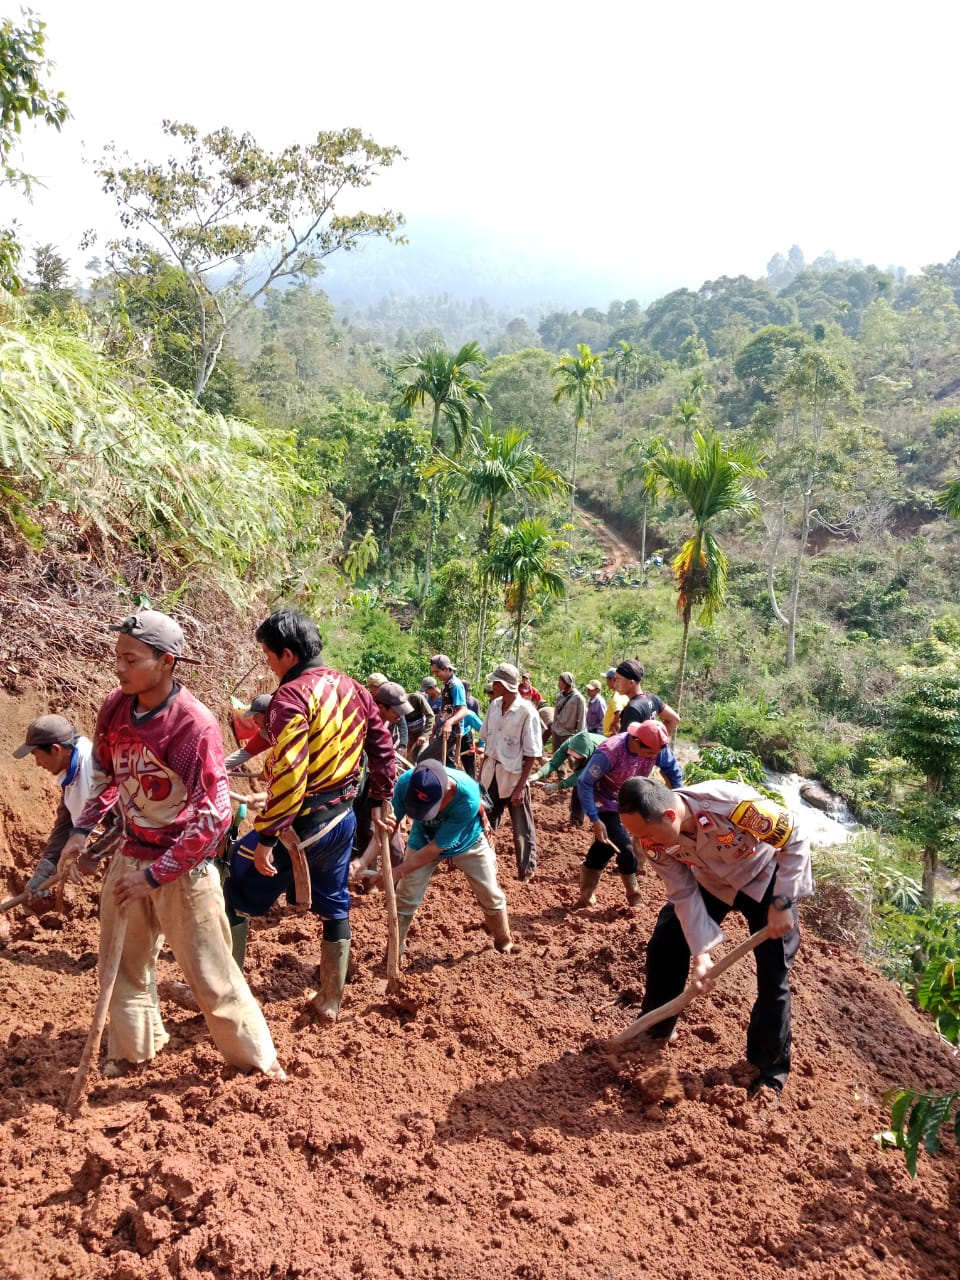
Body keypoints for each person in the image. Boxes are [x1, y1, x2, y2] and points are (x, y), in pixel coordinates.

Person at [59, 609, 284, 1080]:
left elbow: (214, 816)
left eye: (131, 659)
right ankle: (132, 1050)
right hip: (131, 854)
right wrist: (81, 833)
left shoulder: (191, 727)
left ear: (167, 662)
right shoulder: (116, 707)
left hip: (183, 867)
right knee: (121, 965)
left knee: (212, 976)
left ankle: (258, 1068)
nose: (119, 668)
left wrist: (155, 875)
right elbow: (103, 774)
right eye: (117, 657)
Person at [225, 608, 396, 1023]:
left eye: (267, 654)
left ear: (286, 653)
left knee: (232, 893)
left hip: (301, 828)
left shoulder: (291, 697)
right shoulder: (354, 688)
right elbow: (383, 749)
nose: (267, 661)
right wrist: (380, 800)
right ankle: (330, 1000)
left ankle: (227, 996)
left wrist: (266, 837)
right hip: (342, 822)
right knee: (335, 906)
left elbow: (291, 774)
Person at [616, 776, 813, 1102]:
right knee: (667, 943)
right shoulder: (653, 841)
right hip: (711, 883)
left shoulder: (731, 805)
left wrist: (783, 902)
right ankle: (655, 1031)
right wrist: (701, 953)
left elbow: (794, 838)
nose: (643, 844)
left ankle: (769, 1074)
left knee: (773, 971)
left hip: (764, 878)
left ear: (669, 816)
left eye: (646, 833)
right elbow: (683, 893)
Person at [375, 758, 515, 958]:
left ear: (447, 792)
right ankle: (394, 951)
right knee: (406, 895)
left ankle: (504, 942)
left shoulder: (468, 797)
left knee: (490, 893)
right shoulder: (409, 781)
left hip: (468, 841)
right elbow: (389, 825)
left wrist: (397, 871)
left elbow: (435, 849)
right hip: (422, 838)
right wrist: (365, 859)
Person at [12, 715, 120, 906]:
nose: (37, 763)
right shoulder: (70, 773)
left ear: (56, 749)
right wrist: (44, 871)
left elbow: (128, 826)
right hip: (132, 847)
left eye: (37, 756)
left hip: (159, 848)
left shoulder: (97, 768)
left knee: (120, 907)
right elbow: (66, 824)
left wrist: (92, 855)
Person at [575, 720, 682, 909]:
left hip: (630, 801)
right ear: (635, 740)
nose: (652, 758)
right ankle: (634, 895)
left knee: (605, 846)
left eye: (655, 754)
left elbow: (673, 772)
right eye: (649, 753)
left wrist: (681, 800)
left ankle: (585, 896)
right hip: (604, 801)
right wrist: (594, 818)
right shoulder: (610, 751)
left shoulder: (656, 748)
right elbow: (585, 782)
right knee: (624, 847)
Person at [479, 662, 543, 881]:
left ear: (504, 685)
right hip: (491, 773)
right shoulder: (495, 706)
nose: (492, 686)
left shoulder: (527, 712)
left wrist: (521, 786)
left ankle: (526, 871)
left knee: (521, 828)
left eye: (495, 682)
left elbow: (532, 753)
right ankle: (484, 866)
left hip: (514, 775)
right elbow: (486, 742)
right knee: (484, 821)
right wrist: (480, 776)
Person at [534, 728, 604, 828]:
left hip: (606, 764)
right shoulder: (570, 743)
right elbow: (554, 763)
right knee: (579, 788)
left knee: (599, 790)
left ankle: (602, 820)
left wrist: (558, 785)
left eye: (577, 756)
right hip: (588, 756)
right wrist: (538, 774)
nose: (573, 758)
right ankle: (576, 820)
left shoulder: (600, 753)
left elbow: (580, 776)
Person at [612, 660, 680, 735]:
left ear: (631, 683)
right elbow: (674, 719)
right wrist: (656, 740)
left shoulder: (633, 709)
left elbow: (626, 744)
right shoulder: (653, 699)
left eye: (618, 680)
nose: (615, 684)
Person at [428, 654, 468, 768]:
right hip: (444, 729)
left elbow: (463, 710)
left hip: (452, 731)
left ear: (446, 669)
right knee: (447, 762)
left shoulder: (455, 685)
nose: (435, 676)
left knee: (425, 758)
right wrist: (435, 728)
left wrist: (449, 723)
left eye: (437, 672)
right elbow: (444, 710)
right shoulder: (446, 684)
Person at [551, 672, 586, 751]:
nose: (558, 684)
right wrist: (553, 728)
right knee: (556, 758)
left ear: (565, 683)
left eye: (559, 681)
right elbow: (555, 715)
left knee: (570, 759)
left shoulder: (578, 698)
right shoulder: (559, 697)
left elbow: (581, 718)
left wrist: (578, 737)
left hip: (569, 734)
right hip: (557, 732)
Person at [602, 668, 628, 737]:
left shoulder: (617, 697)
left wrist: (614, 727)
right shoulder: (623, 694)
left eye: (607, 679)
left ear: (612, 680)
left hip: (611, 736)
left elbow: (618, 713)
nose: (606, 682)